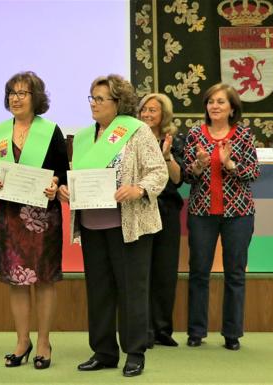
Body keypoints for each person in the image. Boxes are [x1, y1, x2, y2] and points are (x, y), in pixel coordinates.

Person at [58, 74, 168, 377]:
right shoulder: (81, 137)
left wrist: (139, 189)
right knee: (99, 290)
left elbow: (158, 172)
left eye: (100, 99)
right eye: (91, 98)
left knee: (132, 289)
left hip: (129, 224)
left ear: (118, 102)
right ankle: (104, 351)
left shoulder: (138, 131)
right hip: (92, 225)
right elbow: (77, 176)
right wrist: (65, 190)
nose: (93, 104)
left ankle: (134, 353)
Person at [0, 71, 68, 369]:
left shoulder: (52, 131)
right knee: (16, 281)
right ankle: (22, 341)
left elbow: (63, 173)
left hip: (43, 216)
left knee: (43, 280)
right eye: (12, 93)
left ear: (36, 98)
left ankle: (43, 342)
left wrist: (56, 184)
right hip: (10, 217)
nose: (15, 98)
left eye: (22, 93)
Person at [184, 83, 259, 351]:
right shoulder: (195, 134)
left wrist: (230, 165)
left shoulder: (244, 135)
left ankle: (232, 334)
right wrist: (198, 164)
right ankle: (196, 331)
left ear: (232, 108)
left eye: (220, 102)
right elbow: (186, 176)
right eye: (210, 101)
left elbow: (253, 173)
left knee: (235, 274)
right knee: (199, 273)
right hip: (202, 213)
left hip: (238, 214)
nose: (214, 106)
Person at [137, 93, 185, 348]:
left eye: (152, 110)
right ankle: (143, 330)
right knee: (142, 270)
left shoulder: (173, 140)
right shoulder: (131, 139)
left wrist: (166, 156)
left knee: (165, 272)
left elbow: (177, 179)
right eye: (143, 110)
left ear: (163, 114)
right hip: (141, 209)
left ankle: (162, 330)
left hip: (166, 211)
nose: (146, 114)